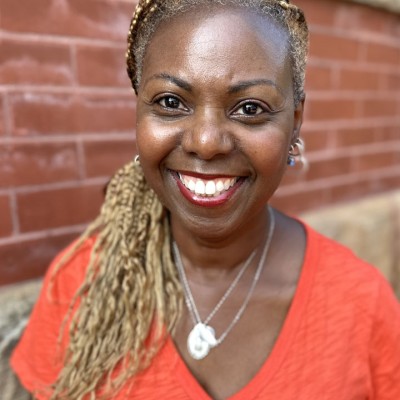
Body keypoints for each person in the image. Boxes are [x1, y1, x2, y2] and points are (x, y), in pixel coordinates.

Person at [10, 0, 400, 399]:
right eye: (170, 102)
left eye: (249, 108)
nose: (206, 142)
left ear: (295, 121)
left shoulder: (360, 303)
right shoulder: (80, 285)